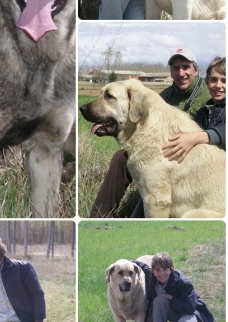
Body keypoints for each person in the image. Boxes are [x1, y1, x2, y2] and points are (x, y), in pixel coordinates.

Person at [90, 48, 211, 218]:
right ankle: (99, 216)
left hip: (193, 161)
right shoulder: (165, 96)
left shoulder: (210, 93)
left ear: (196, 70)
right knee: (121, 157)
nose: (181, 73)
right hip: (162, 153)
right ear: (171, 72)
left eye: (186, 67)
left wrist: (197, 137)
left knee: (154, 191)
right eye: (176, 68)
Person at [133, 253, 215, 322]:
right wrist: (124, 264)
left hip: (193, 313)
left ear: (171, 269)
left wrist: (171, 297)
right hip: (175, 311)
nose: (161, 273)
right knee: (159, 300)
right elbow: (140, 264)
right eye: (157, 270)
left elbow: (190, 308)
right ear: (153, 271)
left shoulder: (182, 282)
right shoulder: (153, 278)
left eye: (165, 269)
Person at [162, 56, 225, 163]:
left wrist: (195, 138)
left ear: (196, 71)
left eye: (224, 81)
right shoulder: (204, 112)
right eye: (213, 80)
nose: (218, 85)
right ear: (207, 81)